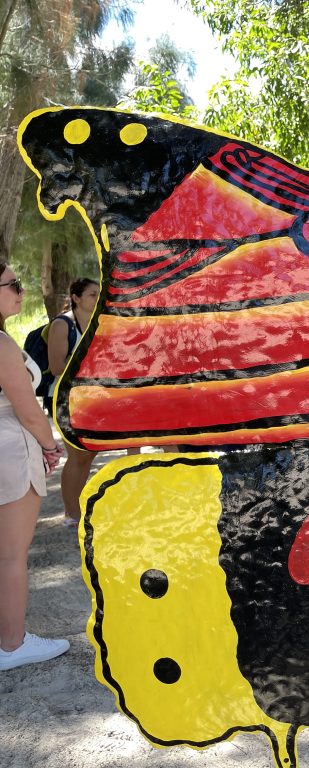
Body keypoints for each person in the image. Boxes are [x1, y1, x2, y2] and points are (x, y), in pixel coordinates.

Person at [0, 261, 70, 670]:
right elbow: (29, 412)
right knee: (11, 555)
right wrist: (50, 446)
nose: (21, 292)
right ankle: (12, 644)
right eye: (13, 285)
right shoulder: (2, 346)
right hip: (10, 448)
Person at [47, 278, 99, 527]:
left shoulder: (98, 323)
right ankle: (70, 514)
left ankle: (77, 509)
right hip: (65, 398)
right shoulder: (62, 324)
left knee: (88, 455)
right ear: (76, 298)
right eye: (92, 294)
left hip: (91, 399)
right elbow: (56, 366)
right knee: (77, 456)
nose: (97, 298)